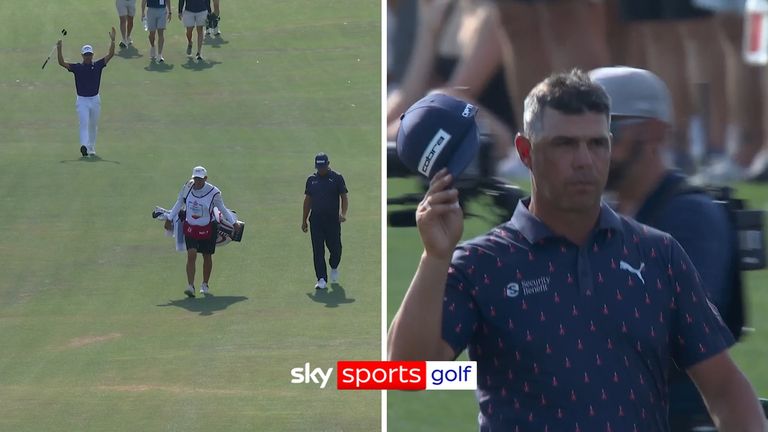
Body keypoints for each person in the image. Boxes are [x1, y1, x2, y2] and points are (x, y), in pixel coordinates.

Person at [388, 70, 767, 431]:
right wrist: (435, 258)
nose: (584, 160)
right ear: (525, 151)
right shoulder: (482, 266)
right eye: (564, 144)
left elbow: (724, 386)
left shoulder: (659, 254)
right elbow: (406, 373)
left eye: (597, 143)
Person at [590, 65, 739, 430]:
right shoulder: (596, 213)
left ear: (653, 131)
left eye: (605, 134)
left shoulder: (691, 216)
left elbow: (679, 334)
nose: (589, 152)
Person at [166, 166, 237, 297]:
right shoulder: (187, 187)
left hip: (208, 228)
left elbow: (222, 208)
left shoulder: (214, 192)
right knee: (191, 254)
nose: (197, 182)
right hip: (190, 228)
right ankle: (190, 286)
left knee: (207, 256)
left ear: (205, 178)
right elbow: (179, 202)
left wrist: (234, 223)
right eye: (195, 178)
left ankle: (205, 284)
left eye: (200, 179)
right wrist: (169, 218)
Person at [57, 28, 116, 158]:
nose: (88, 57)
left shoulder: (98, 65)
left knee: (93, 124)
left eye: (89, 54)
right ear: (82, 56)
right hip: (82, 100)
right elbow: (61, 63)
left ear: (92, 55)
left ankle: (91, 147)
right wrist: (59, 48)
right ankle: (84, 146)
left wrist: (112, 41)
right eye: (86, 55)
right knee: (84, 123)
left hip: (95, 99)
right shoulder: (78, 67)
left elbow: (110, 55)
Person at [302, 153, 348, 290]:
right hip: (316, 221)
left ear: (328, 164)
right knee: (318, 251)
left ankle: (334, 266)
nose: (320, 169)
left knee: (336, 249)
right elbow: (307, 201)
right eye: (318, 167)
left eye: (322, 167)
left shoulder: (337, 178)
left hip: (332, 220)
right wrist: (304, 220)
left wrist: (343, 213)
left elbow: (344, 197)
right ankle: (321, 279)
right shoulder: (311, 180)